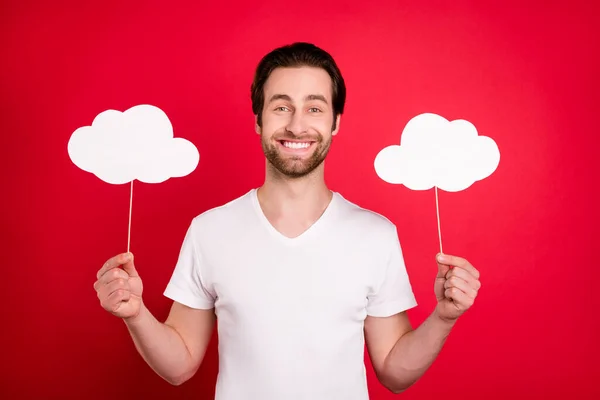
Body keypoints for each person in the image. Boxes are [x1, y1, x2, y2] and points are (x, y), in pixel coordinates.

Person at [93, 42, 481, 400]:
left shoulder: (375, 235)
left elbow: (395, 372)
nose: (297, 125)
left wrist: (444, 317)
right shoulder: (210, 230)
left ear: (335, 122)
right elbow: (179, 366)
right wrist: (136, 313)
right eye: (281, 106)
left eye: (314, 107)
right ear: (259, 120)